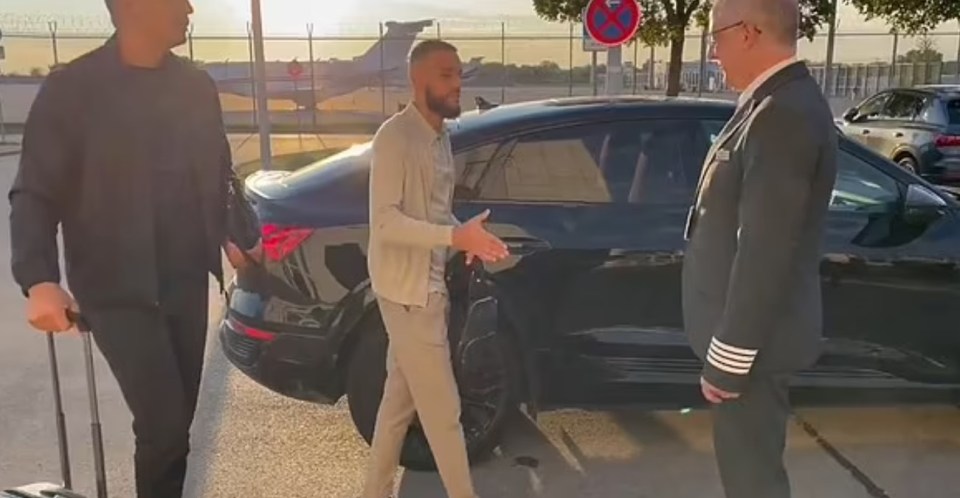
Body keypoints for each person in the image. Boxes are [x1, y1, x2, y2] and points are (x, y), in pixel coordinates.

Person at [8, 0, 261, 496]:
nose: (189, 8)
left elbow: (215, 174)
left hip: (185, 280)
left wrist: (232, 235)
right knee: (164, 423)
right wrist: (39, 280)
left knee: (173, 431)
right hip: (115, 287)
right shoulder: (73, 89)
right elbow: (35, 190)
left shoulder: (196, 87)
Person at [681, 0, 838, 496]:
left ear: (747, 33)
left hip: (753, 353)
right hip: (750, 347)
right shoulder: (769, 103)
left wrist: (728, 362)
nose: (713, 50)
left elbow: (765, 252)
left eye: (717, 36)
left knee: (753, 481)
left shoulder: (782, 114)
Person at [361, 39, 509, 498]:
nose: (457, 83)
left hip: (427, 288)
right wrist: (452, 237)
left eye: (459, 74)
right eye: (446, 74)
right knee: (444, 414)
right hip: (408, 296)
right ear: (417, 80)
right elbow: (385, 222)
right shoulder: (394, 138)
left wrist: (467, 236)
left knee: (397, 405)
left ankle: (373, 492)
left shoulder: (441, 137)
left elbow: (431, 213)